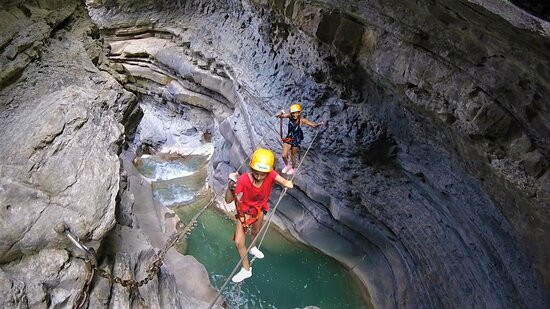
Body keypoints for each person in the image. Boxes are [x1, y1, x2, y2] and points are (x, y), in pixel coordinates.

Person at [225, 148, 293, 283]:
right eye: (257, 173)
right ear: (252, 168)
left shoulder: (270, 174)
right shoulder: (244, 179)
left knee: (255, 232)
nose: (260, 176)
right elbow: (228, 201)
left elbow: (282, 181)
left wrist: (287, 183)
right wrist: (230, 187)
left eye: (263, 174)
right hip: (244, 213)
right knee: (238, 242)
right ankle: (246, 269)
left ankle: (253, 247)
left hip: (259, 210)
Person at [276, 103, 324, 174]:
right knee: (283, 155)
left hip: (296, 140)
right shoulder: (290, 116)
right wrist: (280, 113)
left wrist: (319, 124)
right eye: (293, 113)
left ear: (299, 113)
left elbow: (313, 125)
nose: (295, 115)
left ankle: (293, 168)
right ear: (291, 113)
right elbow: (279, 116)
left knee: (293, 155)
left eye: (297, 113)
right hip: (289, 138)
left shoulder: (302, 120)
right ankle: (287, 166)